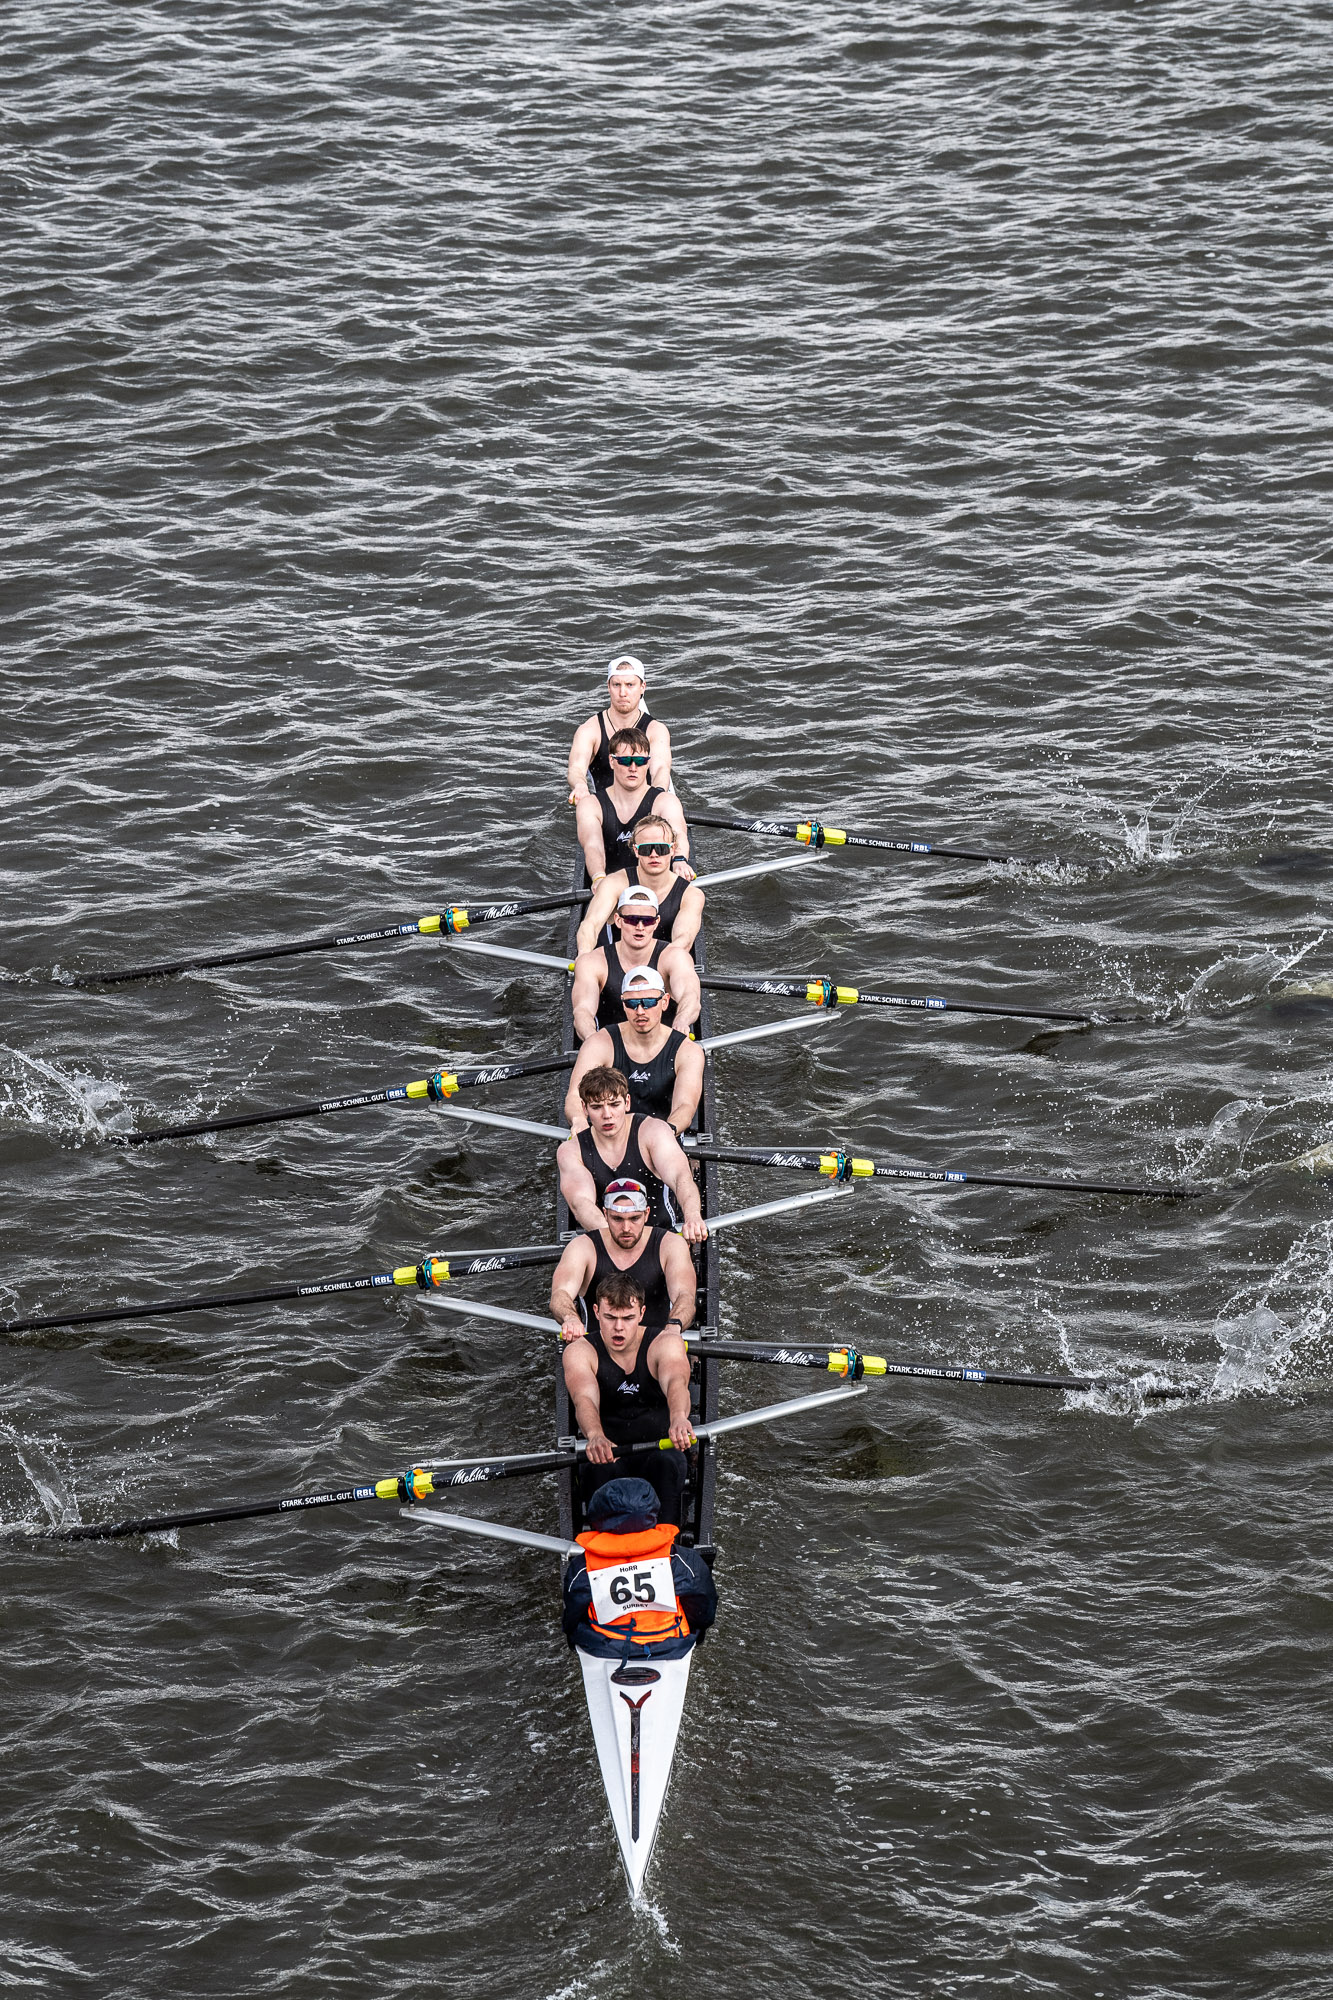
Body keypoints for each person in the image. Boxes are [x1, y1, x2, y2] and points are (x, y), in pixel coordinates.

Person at [561, 1272, 694, 1527]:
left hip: (660, 1449)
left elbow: (676, 1382)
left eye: (628, 1318)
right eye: (610, 1318)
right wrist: (595, 1435)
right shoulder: (580, 1351)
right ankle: (604, 1551)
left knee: (668, 1465)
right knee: (597, 1469)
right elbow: (584, 1398)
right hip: (606, 1454)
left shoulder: (664, 1343)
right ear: (597, 1312)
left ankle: (667, 1543)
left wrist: (679, 1418)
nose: (618, 1327)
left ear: (642, 1314)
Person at [561, 1475, 717, 1657]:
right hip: (671, 1644)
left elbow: (572, 1613)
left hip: (604, 1646)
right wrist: (697, 1634)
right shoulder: (681, 1559)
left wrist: (573, 1639)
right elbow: (703, 1607)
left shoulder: (582, 1566)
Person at [556, 1065, 706, 1241]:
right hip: (606, 1240)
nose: (607, 1115)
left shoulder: (653, 1131)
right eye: (596, 1107)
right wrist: (619, 1239)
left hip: (662, 1238)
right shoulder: (571, 1151)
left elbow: (681, 1177)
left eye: (614, 1105)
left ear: (627, 1102)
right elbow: (580, 1203)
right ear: (584, 1108)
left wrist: (693, 1216)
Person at [549, 1175, 697, 1340]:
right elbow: (560, 1294)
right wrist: (570, 1318)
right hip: (597, 1351)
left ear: (646, 1214)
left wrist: (674, 1326)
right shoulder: (582, 1247)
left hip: (656, 1347)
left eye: (634, 1218)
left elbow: (685, 1296)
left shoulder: (670, 1245)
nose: (626, 1228)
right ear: (605, 1214)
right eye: (617, 1219)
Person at [567, 965, 705, 1135]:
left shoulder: (687, 1051)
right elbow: (574, 1096)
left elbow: (685, 1107)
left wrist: (665, 1134)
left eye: (648, 1003)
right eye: (632, 1004)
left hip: (662, 1136)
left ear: (665, 1002)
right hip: (609, 1136)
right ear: (623, 1005)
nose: (640, 1011)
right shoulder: (601, 1043)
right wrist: (578, 1120)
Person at [570, 883, 701, 1042]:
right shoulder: (593, 962)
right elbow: (582, 1011)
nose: (640, 927)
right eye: (632, 920)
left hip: (663, 1047)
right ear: (618, 920)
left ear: (656, 922)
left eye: (647, 921)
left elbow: (691, 998)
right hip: (610, 1051)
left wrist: (682, 1022)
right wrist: (592, 1040)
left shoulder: (674, 957)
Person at [573, 728, 692, 889]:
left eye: (640, 761)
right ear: (611, 761)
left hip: (654, 888)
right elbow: (593, 845)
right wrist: (598, 877)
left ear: (648, 763)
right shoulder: (591, 805)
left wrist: (679, 860)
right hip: (610, 886)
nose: (633, 768)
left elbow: (678, 833)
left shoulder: (665, 802)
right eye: (625, 761)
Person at [576, 814, 704, 957]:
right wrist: (583, 953)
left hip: (666, 965)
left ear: (673, 849)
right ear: (636, 851)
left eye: (661, 849)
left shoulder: (691, 895)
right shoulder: (614, 883)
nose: (654, 855)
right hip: (618, 965)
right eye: (646, 849)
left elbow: (683, 941)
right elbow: (590, 925)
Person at [568, 656, 672, 800]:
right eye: (617, 685)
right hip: (606, 809)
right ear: (608, 687)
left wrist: (658, 794)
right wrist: (580, 786)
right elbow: (576, 768)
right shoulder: (589, 730)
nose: (623, 693)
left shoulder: (656, 730)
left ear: (643, 687)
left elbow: (660, 769)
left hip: (646, 807)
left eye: (630, 685)